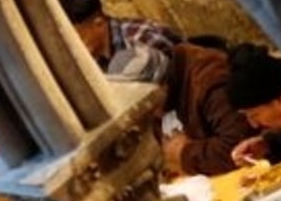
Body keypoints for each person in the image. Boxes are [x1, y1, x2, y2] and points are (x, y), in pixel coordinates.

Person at [105, 44, 254, 177]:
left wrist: (184, 153)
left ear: (161, 87)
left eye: (149, 105)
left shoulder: (208, 80)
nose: (151, 113)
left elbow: (241, 148)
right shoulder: (168, 92)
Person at [57, 0, 181, 70]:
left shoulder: (144, 39)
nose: (73, 46)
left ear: (98, 23)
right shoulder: (98, 58)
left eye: (76, 37)